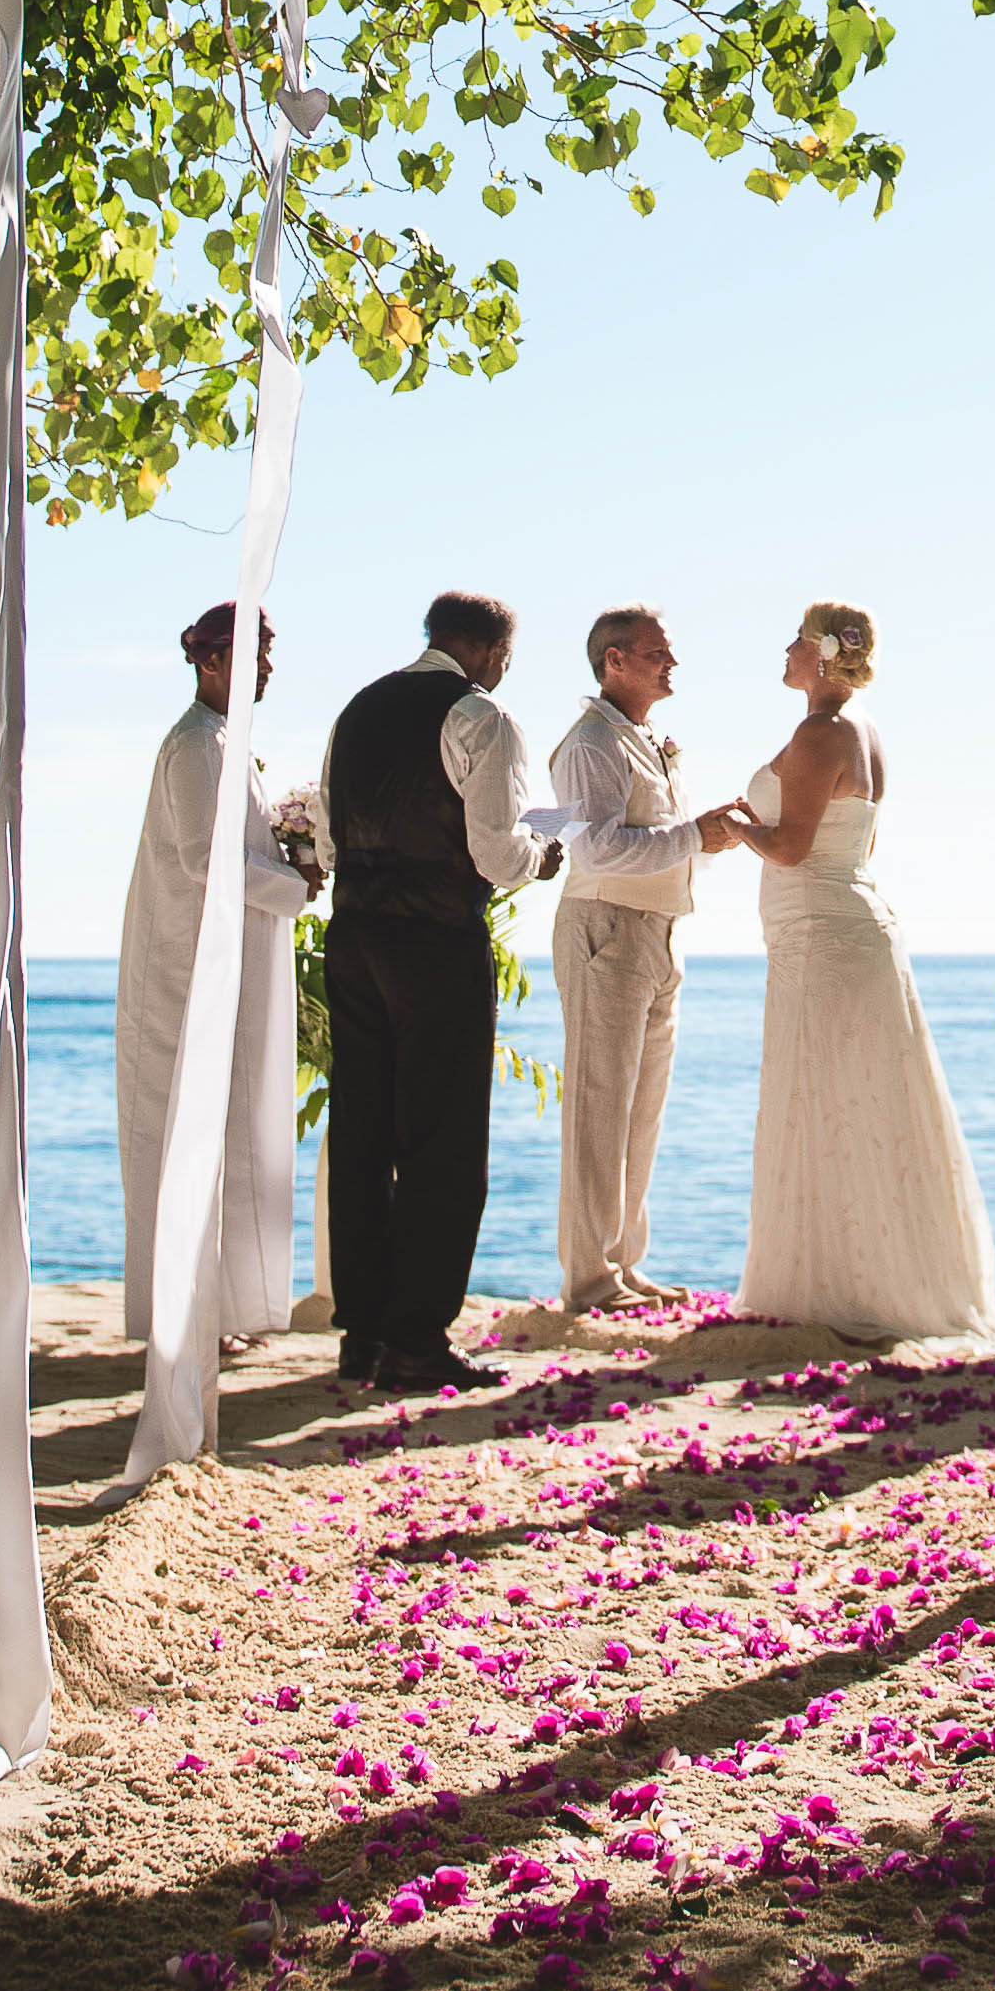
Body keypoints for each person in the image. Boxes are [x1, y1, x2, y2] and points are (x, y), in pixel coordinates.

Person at [727, 598, 995, 1345]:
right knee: (857, 1101)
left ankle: (835, 1287)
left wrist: (732, 827)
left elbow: (788, 848)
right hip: (843, 922)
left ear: (819, 654)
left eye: (793, 640)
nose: (782, 650)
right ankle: (873, 1275)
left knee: (821, 1096)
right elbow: (848, 846)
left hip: (820, 934)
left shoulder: (820, 732)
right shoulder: (864, 731)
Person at [318, 588, 543, 1392]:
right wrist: (542, 855)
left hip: (352, 937)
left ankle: (362, 1334)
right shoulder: (482, 716)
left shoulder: (357, 711)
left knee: (362, 1130)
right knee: (443, 1142)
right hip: (434, 938)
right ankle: (415, 1341)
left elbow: (325, 833)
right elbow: (495, 852)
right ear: (489, 650)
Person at [115, 602, 313, 1352]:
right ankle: (188, 1310)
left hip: (229, 959)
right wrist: (295, 884)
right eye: (256, 652)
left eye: (269, 652)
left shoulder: (226, 742)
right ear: (211, 660)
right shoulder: (196, 746)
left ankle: (222, 1307)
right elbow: (205, 861)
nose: (267, 668)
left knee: (226, 1129)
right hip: (187, 966)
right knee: (188, 1129)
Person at [548, 606, 717, 1309]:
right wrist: (697, 834)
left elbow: (661, 842)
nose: (670, 664)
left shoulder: (641, 740)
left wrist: (706, 839)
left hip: (658, 930)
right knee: (600, 1104)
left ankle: (622, 1260)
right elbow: (599, 849)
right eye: (657, 654)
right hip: (605, 929)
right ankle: (588, 1276)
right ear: (613, 660)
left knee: (641, 1107)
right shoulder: (590, 744)